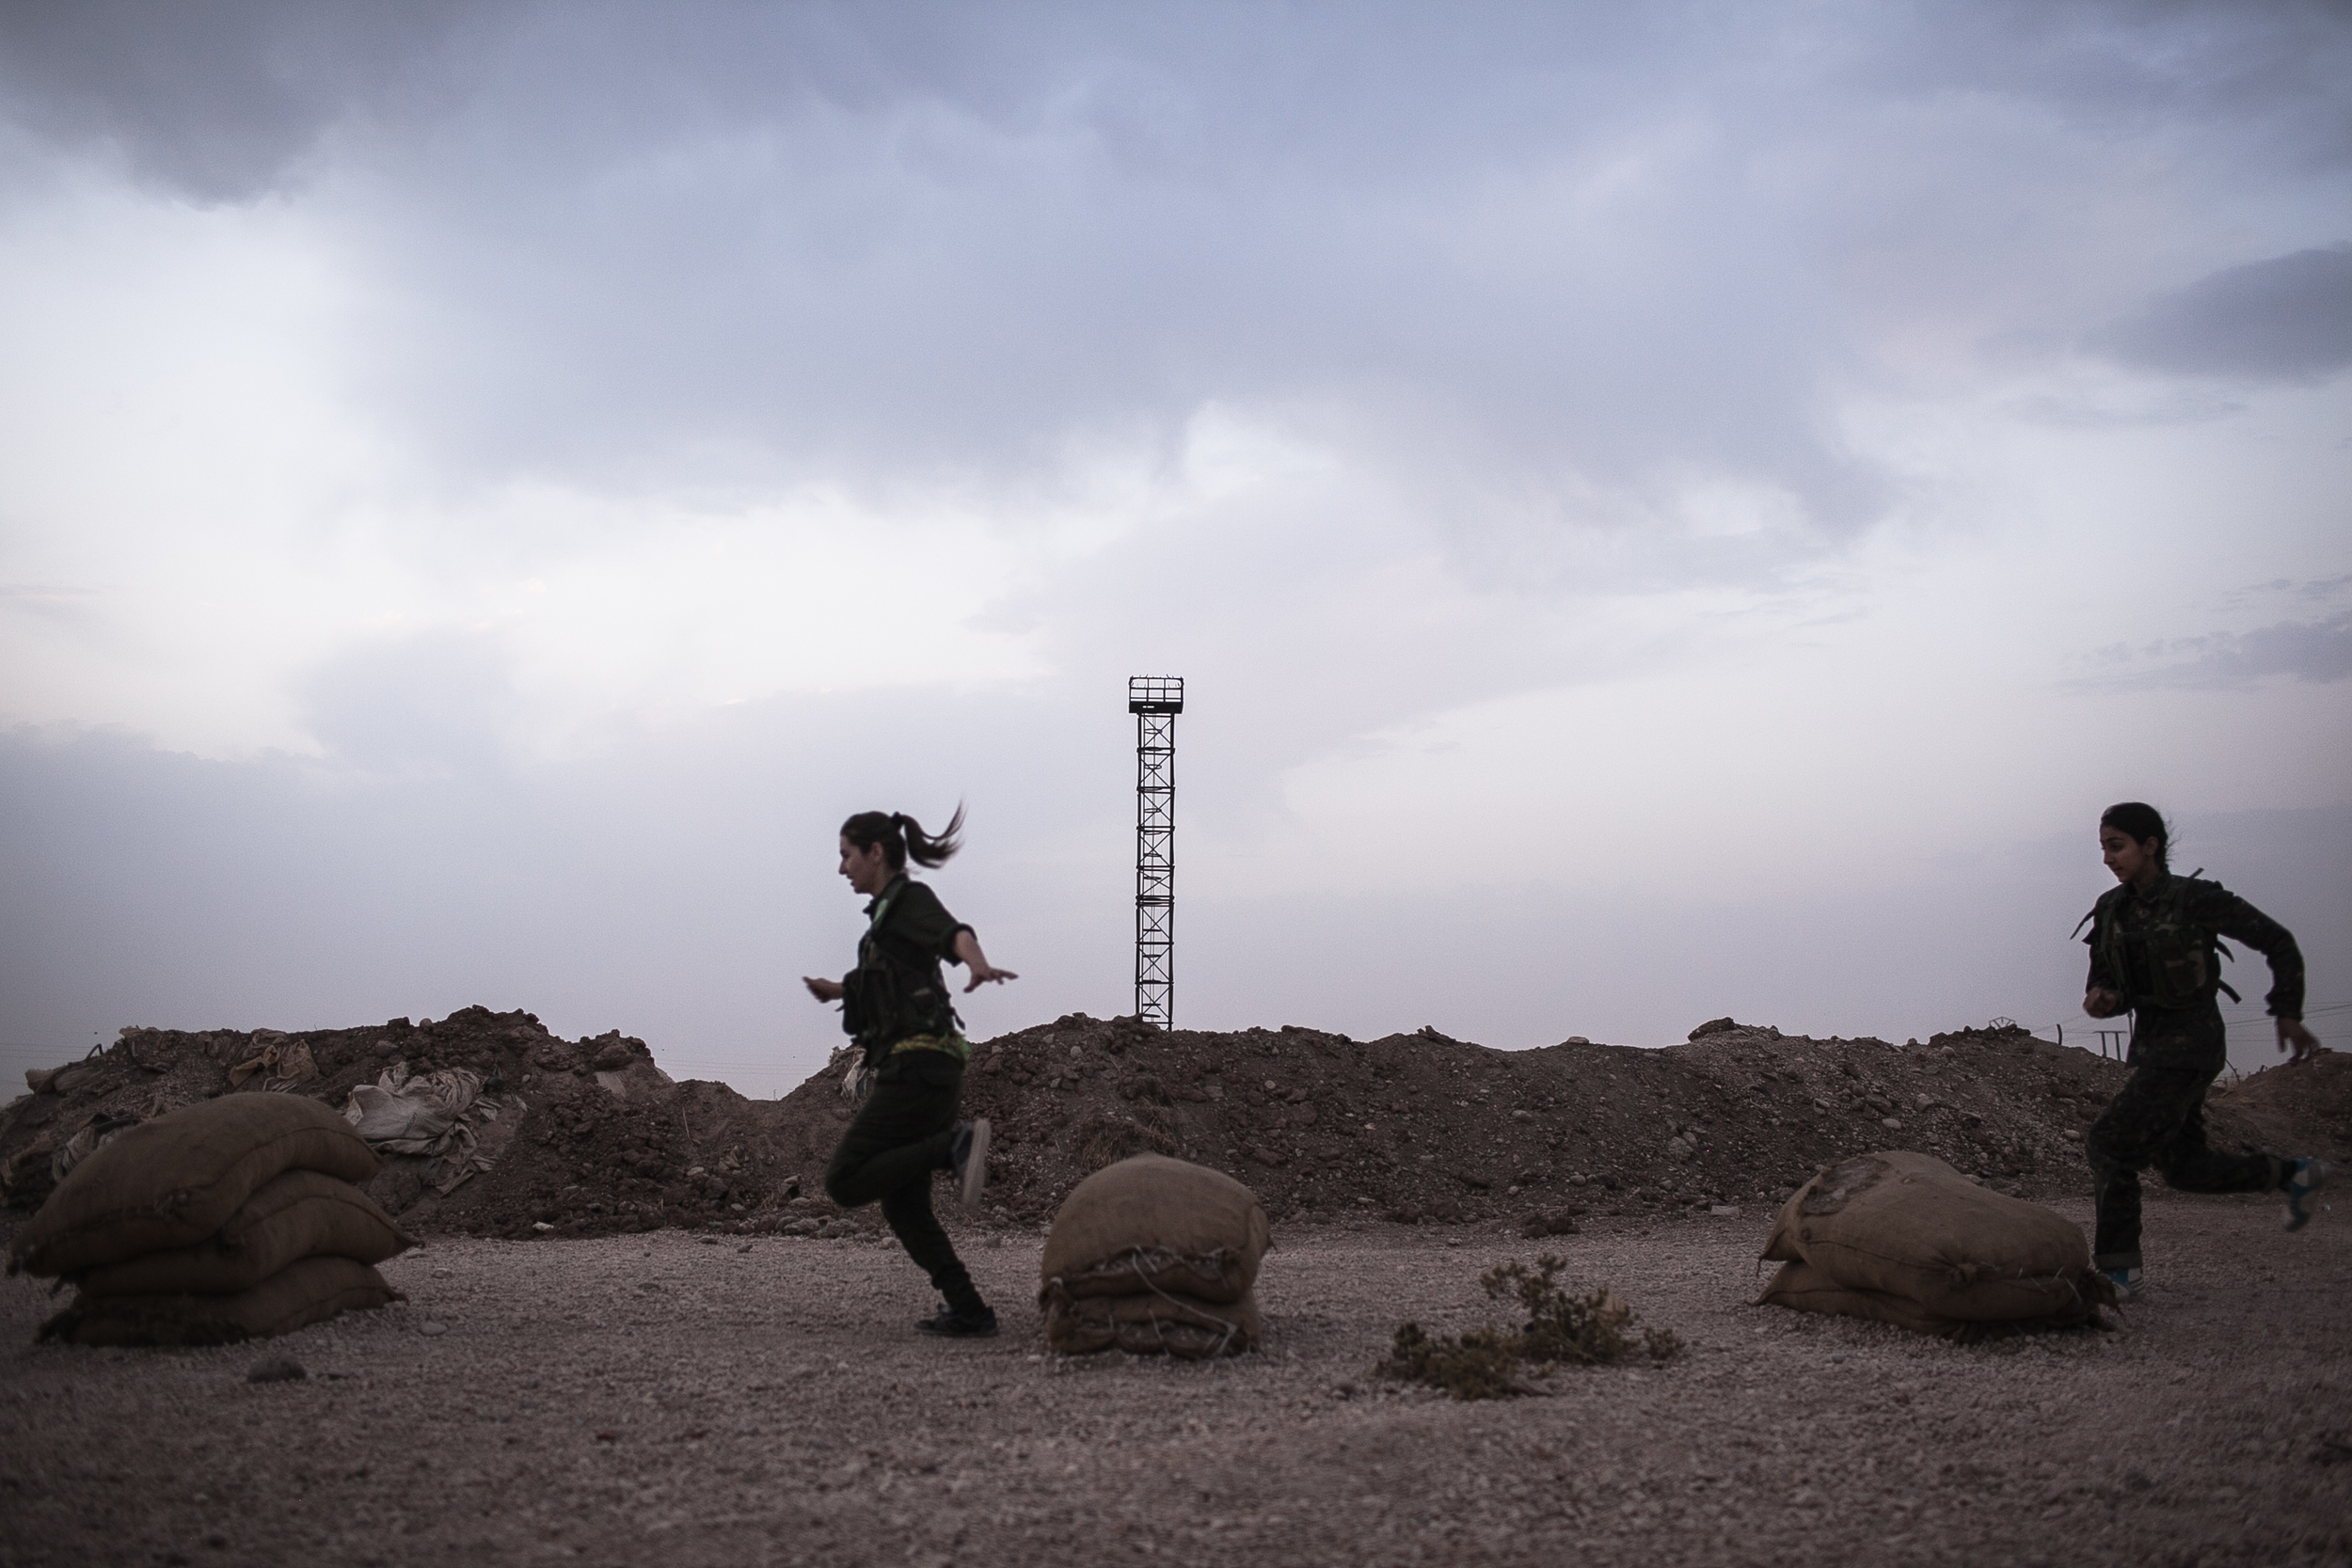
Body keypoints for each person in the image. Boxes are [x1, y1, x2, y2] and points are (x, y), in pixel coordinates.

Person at [2077, 801, 2326, 1298]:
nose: (2108, 858)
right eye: (2104, 847)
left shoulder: (2194, 899)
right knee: (2185, 1169)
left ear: (2150, 846)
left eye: (2117, 845)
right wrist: (2102, 1000)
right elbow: (2104, 980)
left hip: (2193, 1045)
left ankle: (2119, 1272)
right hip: (2153, 1049)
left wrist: (2288, 1012)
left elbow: (2277, 941)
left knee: (2109, 1143)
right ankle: (2292, 1173)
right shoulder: (2112, 910)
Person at [803, 806, 1017, 1337]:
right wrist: (838, 989)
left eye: (846, 856)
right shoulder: (884, 919)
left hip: (919, 1068)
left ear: (876, 853)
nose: (841, 869)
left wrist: (976, 963)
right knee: (905, 1208)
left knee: (846, 1180)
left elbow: (953, 934)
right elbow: (887, 979)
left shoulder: (911, 901)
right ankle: (969, 1308)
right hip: (926, 1067)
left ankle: (953, 1148)